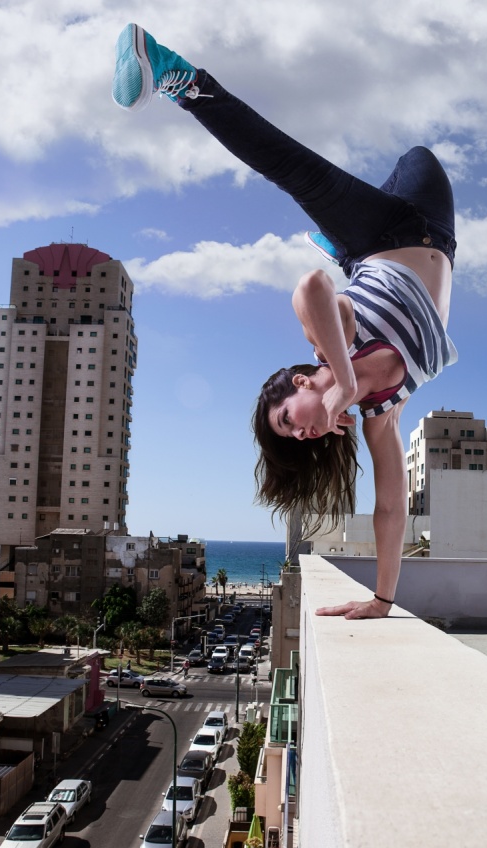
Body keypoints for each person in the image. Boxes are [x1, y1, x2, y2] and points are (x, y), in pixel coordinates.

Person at [113, 24, 458, 620]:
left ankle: (173, 72)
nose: (302, 434)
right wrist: (382, 600)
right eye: (294, 434)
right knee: (407, 162)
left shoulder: (332, 346)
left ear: (301, 383)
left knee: (297, 173)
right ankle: (340, 242)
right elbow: (391, 509)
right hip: (435, 221)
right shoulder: (381, 417)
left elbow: (311, 289)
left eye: (287, 424)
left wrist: (343, 379)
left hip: (379, 237)